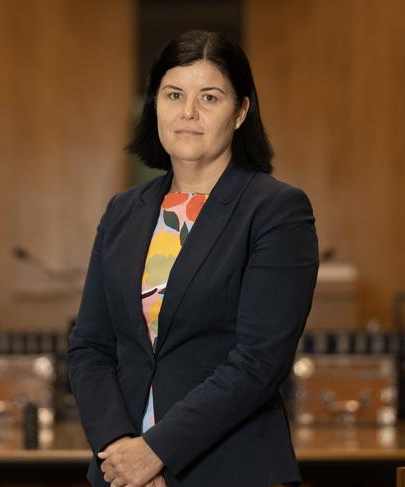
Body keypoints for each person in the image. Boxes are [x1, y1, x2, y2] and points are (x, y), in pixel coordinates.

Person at [68, 30, 319, 487]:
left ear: (240, 111)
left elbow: (259, 362)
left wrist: (155, 454)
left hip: (229, 469)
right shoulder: (123, 211)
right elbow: (90, 347)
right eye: (174, 95)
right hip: (122, 474)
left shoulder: (276, 210)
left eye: (209, 97)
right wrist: (122, 449)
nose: (188, 112)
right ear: (155, 105)